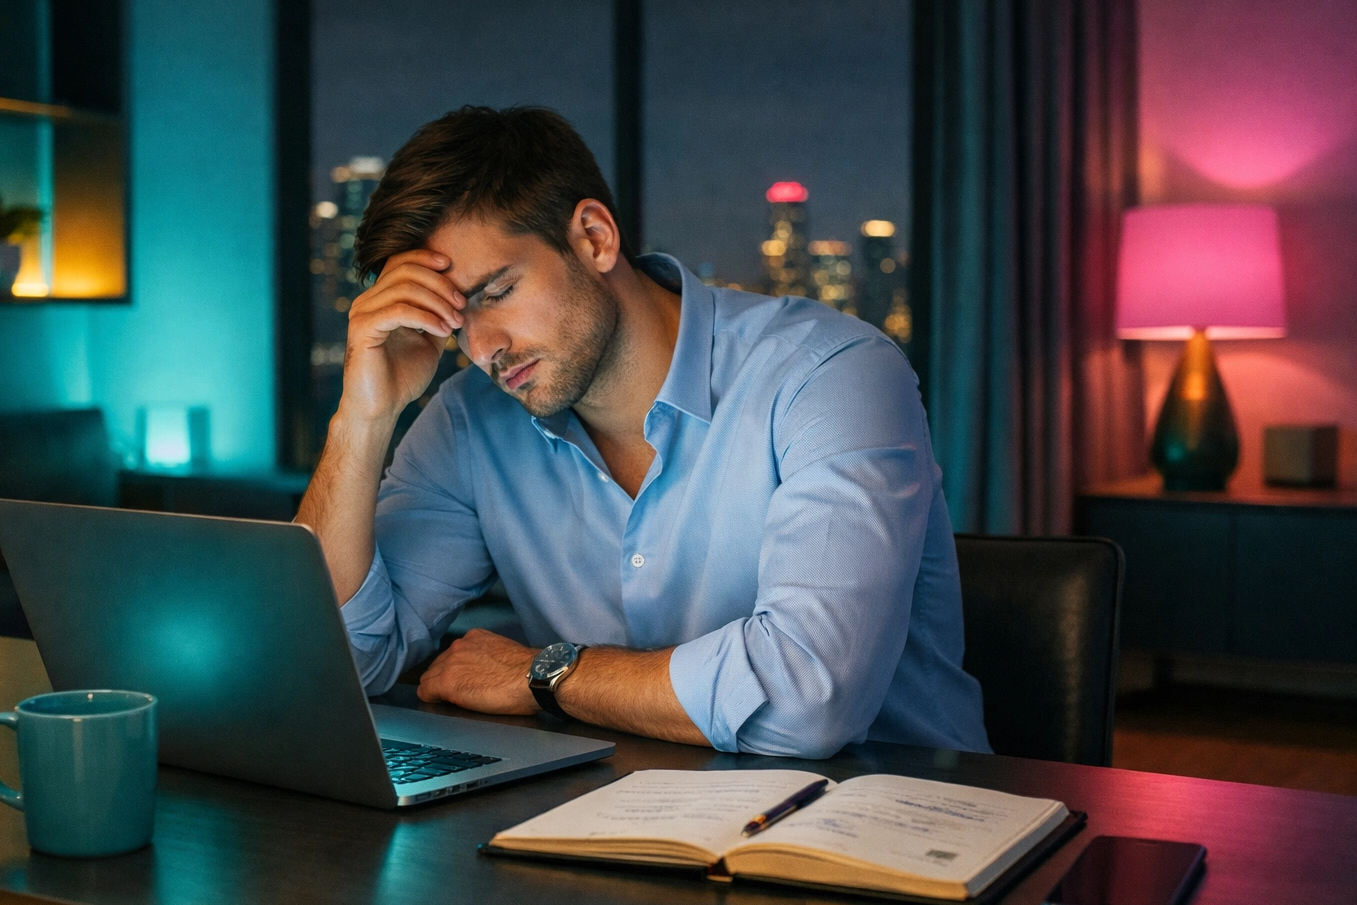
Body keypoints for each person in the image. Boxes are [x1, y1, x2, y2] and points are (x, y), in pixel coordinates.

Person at [295, 106, 990, 759]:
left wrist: (545, 674)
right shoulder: (469, 420)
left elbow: (809, 701)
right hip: (620, 825)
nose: (482, 348)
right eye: (453, 320)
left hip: (889, 825)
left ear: (594, 238)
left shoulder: (831, 374)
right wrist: (364, 416)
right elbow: (337, 662)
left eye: (496, 292)